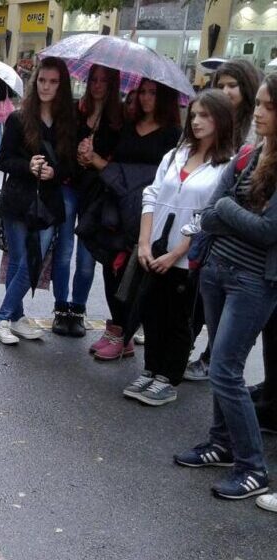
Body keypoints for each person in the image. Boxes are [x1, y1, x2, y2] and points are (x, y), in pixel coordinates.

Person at [174, 74, 277, 504]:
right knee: (219, 360)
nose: (258, 112)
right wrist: (228, 212)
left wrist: (228, 210)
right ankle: (220, 444)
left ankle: (253, 467)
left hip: (253, 281)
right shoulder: (252, 154)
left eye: (269, 106)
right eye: (258, 104)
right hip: (218, 270)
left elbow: (266, 230)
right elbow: (210, 207)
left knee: (225, 370)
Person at [120, 90, 235, 406]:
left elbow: (209, 215)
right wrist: (144, 243)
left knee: (179, 318)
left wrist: (177, 253)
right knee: (152, 311)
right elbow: (152, 195)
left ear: (221, 119)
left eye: (205, 115)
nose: (197, 122)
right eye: (194, 114)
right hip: (156, 245)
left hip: (188, 257)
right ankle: (150, 369)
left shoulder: (226, 165)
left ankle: (168, 377)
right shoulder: (175, 154)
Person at [82, 78, 182, 360]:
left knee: (133, 271)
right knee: (110, 267)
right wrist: (93, 156)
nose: (145, 98)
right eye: (142, 92)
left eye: (152, 93)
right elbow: (112, 163)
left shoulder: (172, 133)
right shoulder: (127, 126)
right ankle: (117, 330)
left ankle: (125, 330)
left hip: (147, 212)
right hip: (116, 207)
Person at [185, 59, 265, 381]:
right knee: (201, 297)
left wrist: (224, 209)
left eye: (233, 85)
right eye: (221, 84)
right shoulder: (215, 120)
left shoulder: (254, 133)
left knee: (226, 336)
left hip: (242, 248)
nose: (226, 91)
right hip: (212, 231)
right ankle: (187, 350)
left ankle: (210, 358)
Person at [0, 57, 75, 345]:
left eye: (52, 82)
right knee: (20, 261)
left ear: (61, 86)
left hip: (48, 204)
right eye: (42, 80)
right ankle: (10, 318)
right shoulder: (19, 117)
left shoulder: (67, 122)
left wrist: (55, 171)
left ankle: (6, 317)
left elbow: (72, 165)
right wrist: (29, 166)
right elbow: (3, 160)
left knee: (32, 261)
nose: (46, 87)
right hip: (18, 199)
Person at [50, 65, 123, 337]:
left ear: (112, 84)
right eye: (93, 79)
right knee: (64, 250)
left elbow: (118, 162)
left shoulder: (118, 118)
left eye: (104, 80)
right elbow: (60, 145)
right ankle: (61, 308)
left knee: (86, 257)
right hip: (70, 185)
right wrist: (76, 154)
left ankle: (78, 309)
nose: (97, 85)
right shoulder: (75, 110)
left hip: (97, 192)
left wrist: (95, 159)